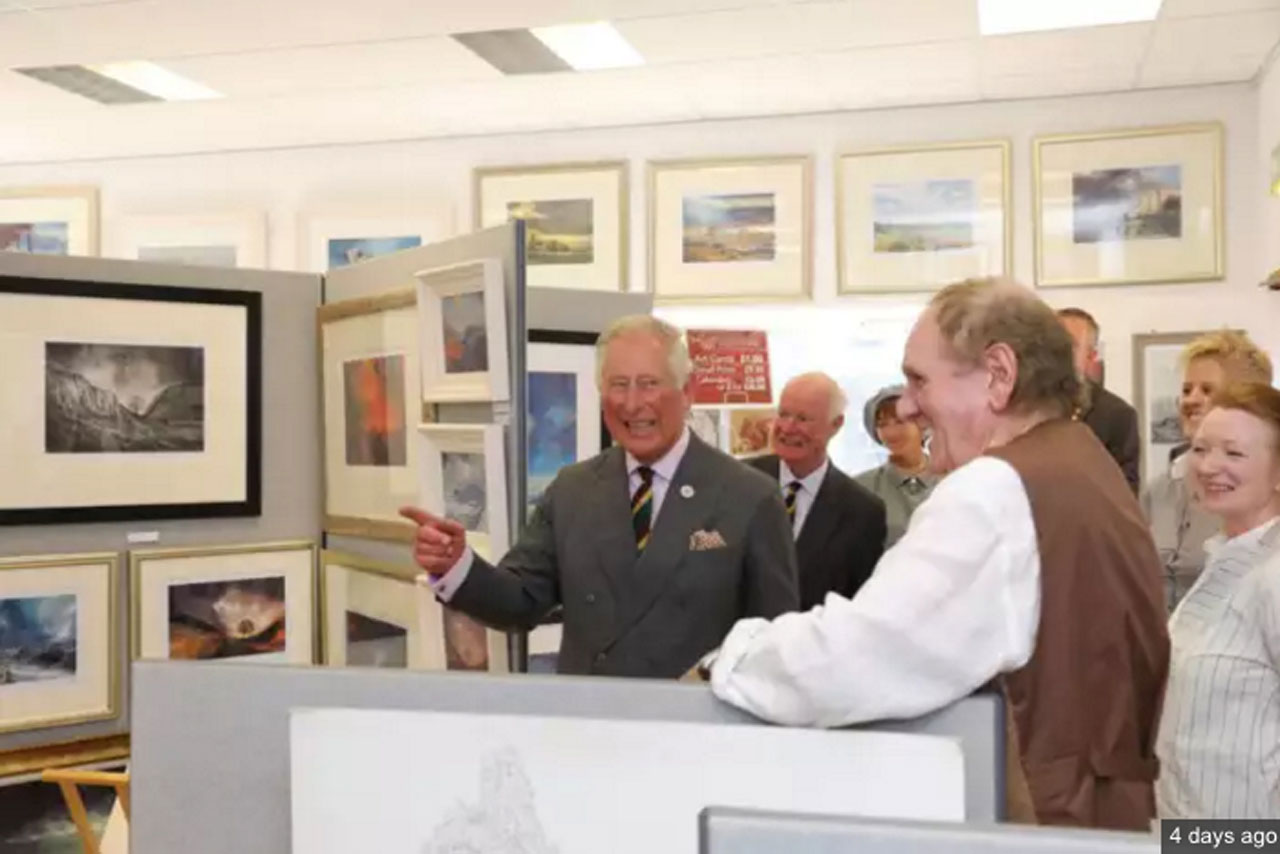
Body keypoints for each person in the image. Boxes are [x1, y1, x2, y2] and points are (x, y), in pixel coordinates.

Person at [708, 278, 1169, 830]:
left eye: (918, 380)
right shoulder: (1084, 464)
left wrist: (732, 657)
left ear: (998, 375)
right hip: (1106, 818)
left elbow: (854, 660)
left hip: (1042, 825)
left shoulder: (994, 493)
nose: (905, 405)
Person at [401, 314, 799, 679]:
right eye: (618, 385)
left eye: (649, 384)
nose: (632, 403)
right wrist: (457, 566)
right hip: (586, 730)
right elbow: (520, 601)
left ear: (687, 391)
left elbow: (775, 644)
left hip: (692, 735)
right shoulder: (573, 489)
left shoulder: (750, 497)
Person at [1156, 382, 1280, 818]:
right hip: (1188, 829)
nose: (1209, 466)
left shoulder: (1273, 576)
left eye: (1234, 453)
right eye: (1200, 448)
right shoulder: (1223, 560)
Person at [1142, 330, 1273, 612]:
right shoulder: (1159, 489)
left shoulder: (1258, 493)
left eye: (1207, 390)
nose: (1191, 400)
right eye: (1187, 389)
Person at [745, 372, 886, 610]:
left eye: (803, 419)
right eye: (783, 414)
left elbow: (858, 606)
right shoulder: (739, 482)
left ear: (836, 425)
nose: (788, 428)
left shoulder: (862, 512)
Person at [1057, 308, 1140, 494]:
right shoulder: (1020, 408)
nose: (1057, 353)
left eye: (1069, 345)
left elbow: (1125, 496)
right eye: (1051, 344)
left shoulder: (1117, 416)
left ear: (1090, 357)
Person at [854, 384, 938, 547]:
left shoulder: (953, 481)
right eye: (882, 424)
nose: (891, 432)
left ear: (923, 424)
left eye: (900, 421)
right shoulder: (860, 489)